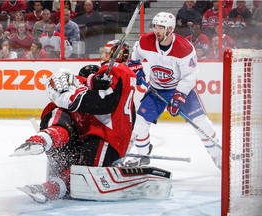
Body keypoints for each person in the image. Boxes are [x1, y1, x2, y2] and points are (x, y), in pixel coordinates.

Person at [11, 40, 137, 202]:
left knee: (82, 174)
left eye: (108, 52)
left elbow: (103, 102)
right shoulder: (121, 79)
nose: (104, 56)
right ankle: (45, 148)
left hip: (104, 137)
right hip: (96, 138)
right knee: (79, 171)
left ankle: (51, 185)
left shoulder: (115, 72)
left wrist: (69, 95)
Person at [125, 12, 222, 170]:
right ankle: (143, 155)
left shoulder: (184, 48)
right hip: (156, 89)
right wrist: (135, 66)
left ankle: (218, 156)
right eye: (155, 26)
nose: (156, 30)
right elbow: (135, 54)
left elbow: (190, 76)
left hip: (181, 89)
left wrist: (179, 96)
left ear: (170, 29)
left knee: (201, 122)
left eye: (161, 27)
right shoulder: (146, 41)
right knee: (140, 124)